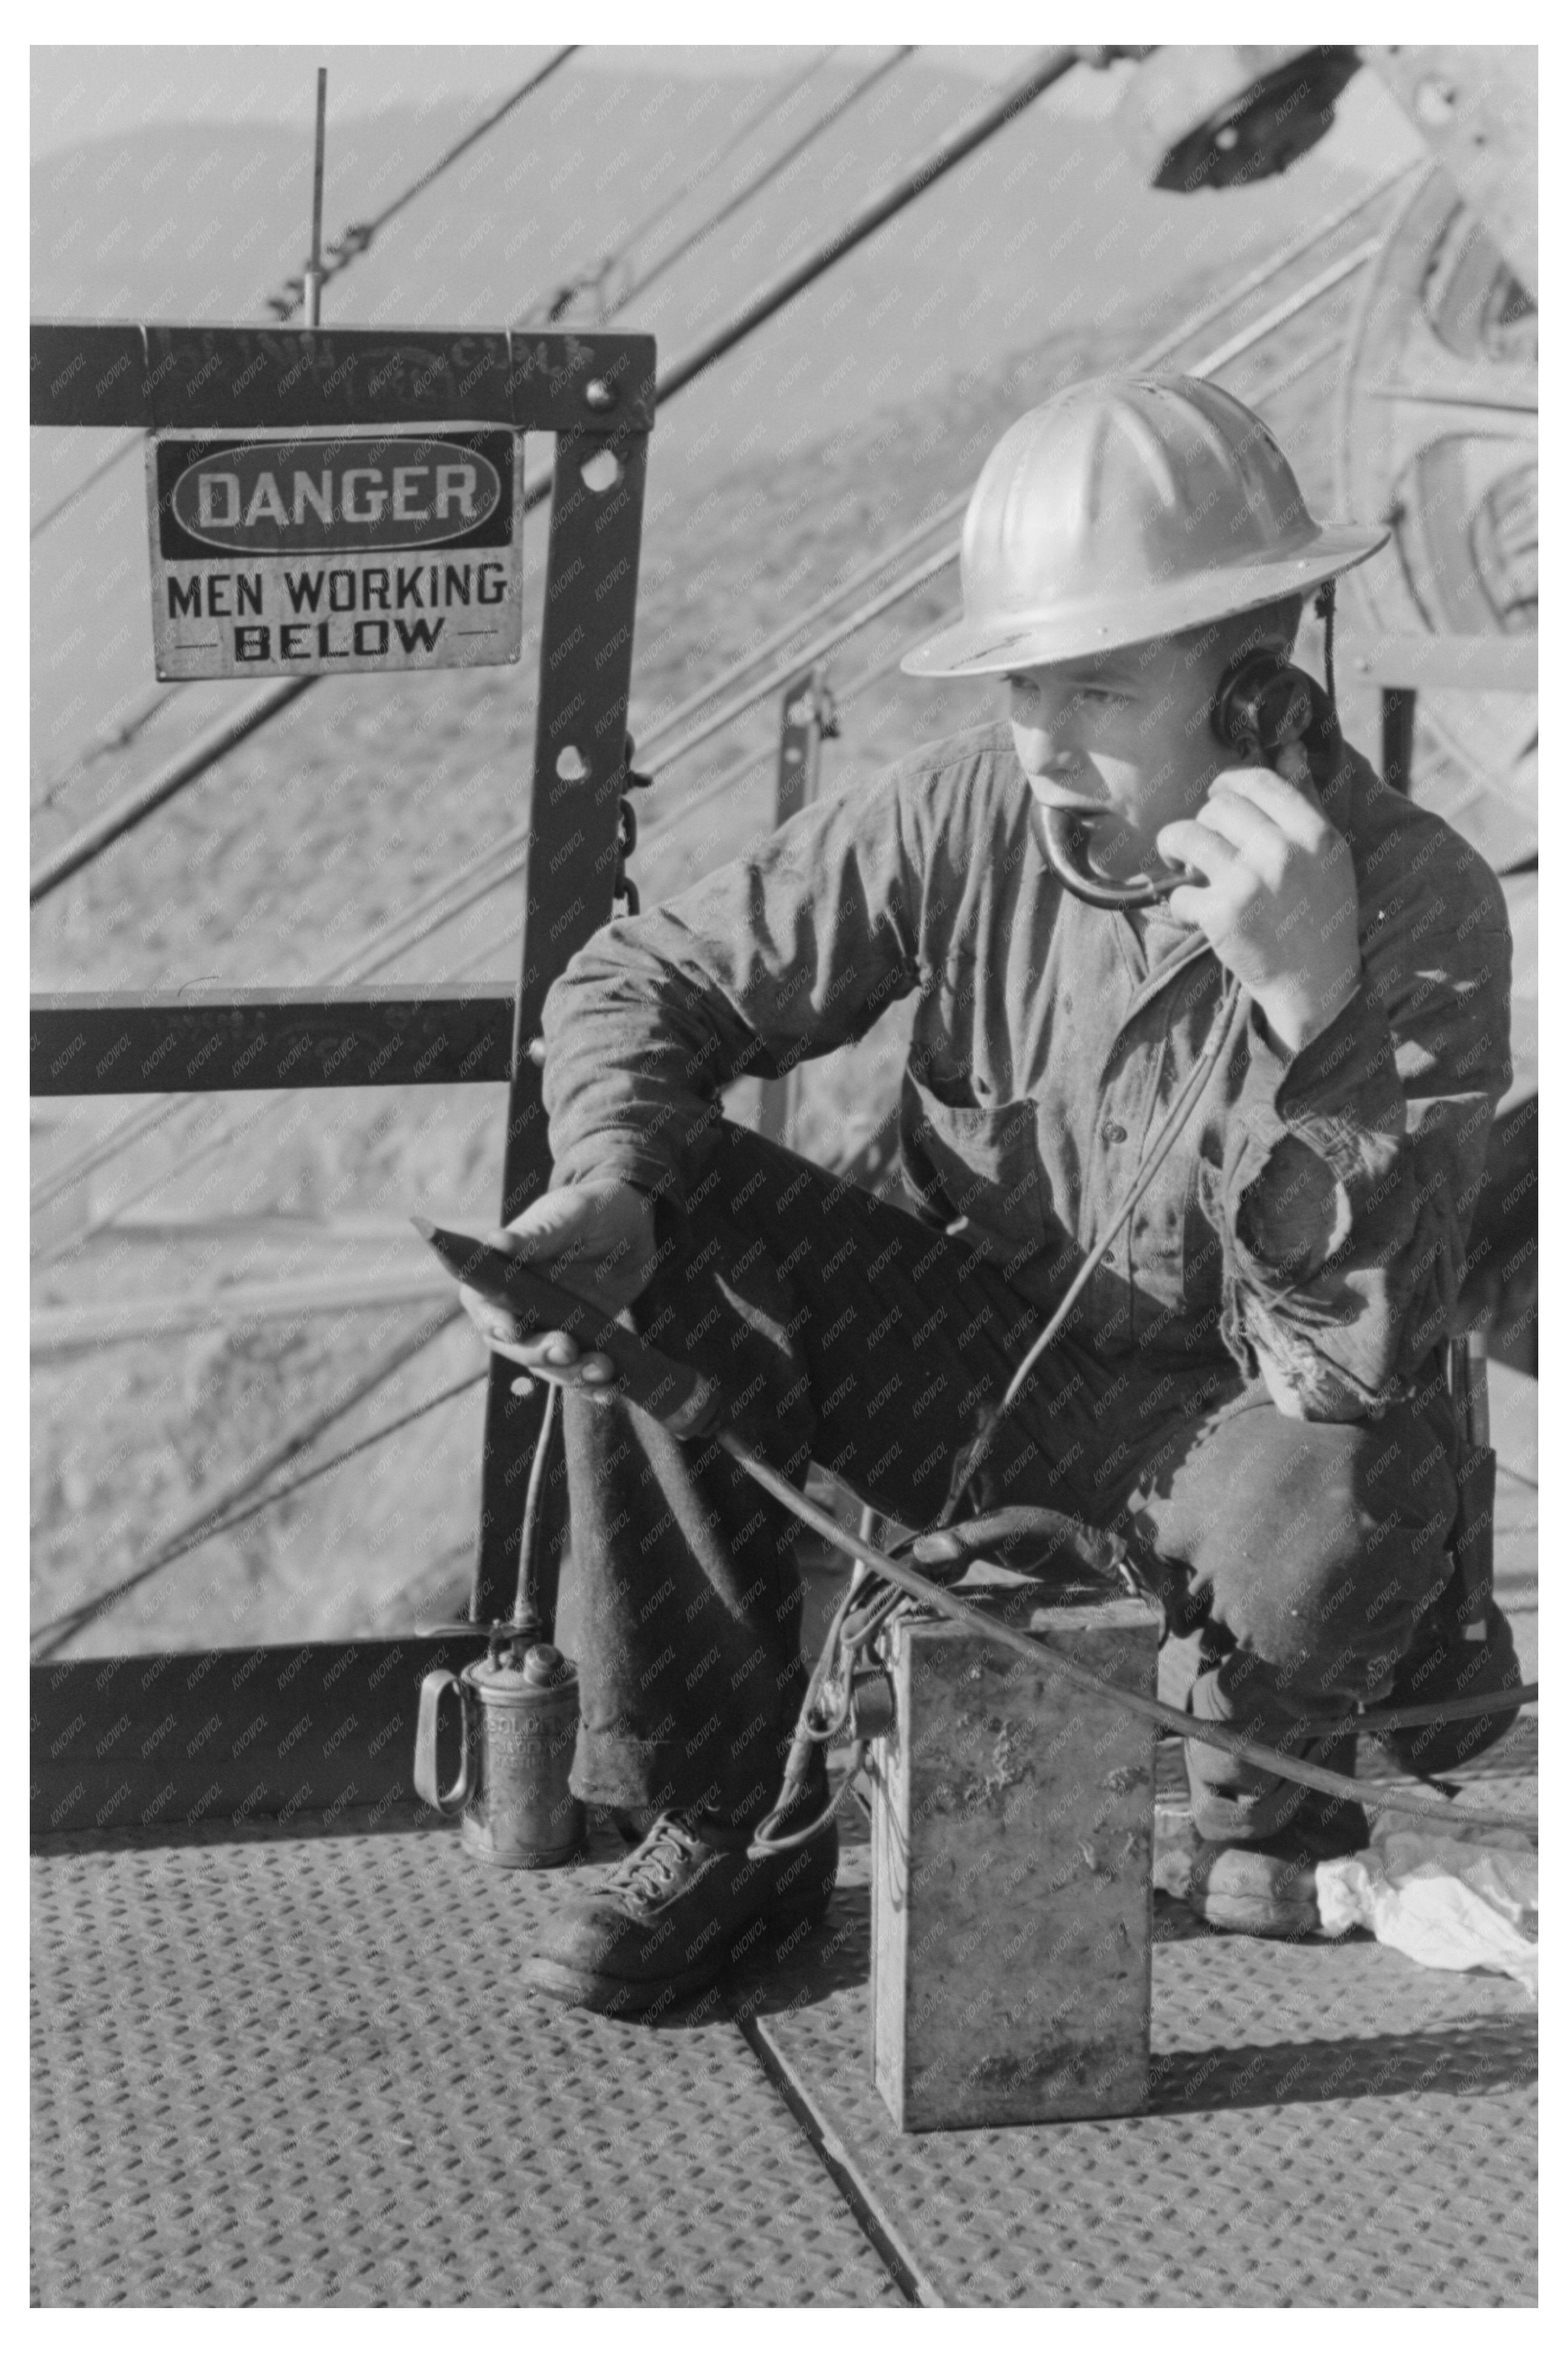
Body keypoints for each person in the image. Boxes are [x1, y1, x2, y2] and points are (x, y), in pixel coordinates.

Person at [461, 374, 1518, 2016]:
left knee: (1349, 1478)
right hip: (971, 1384)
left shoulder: (1422, 903)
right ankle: (737, 1822)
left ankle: (1256, 1792)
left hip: (1245, 1446)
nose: (1040, 739)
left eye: (1093, 686)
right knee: (672, 1234)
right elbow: (639, 978)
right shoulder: (966, 818)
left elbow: (1354, 1369)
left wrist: (1319, 1021)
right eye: (1024, 682)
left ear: (1257, 679)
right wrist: (609, 1184)